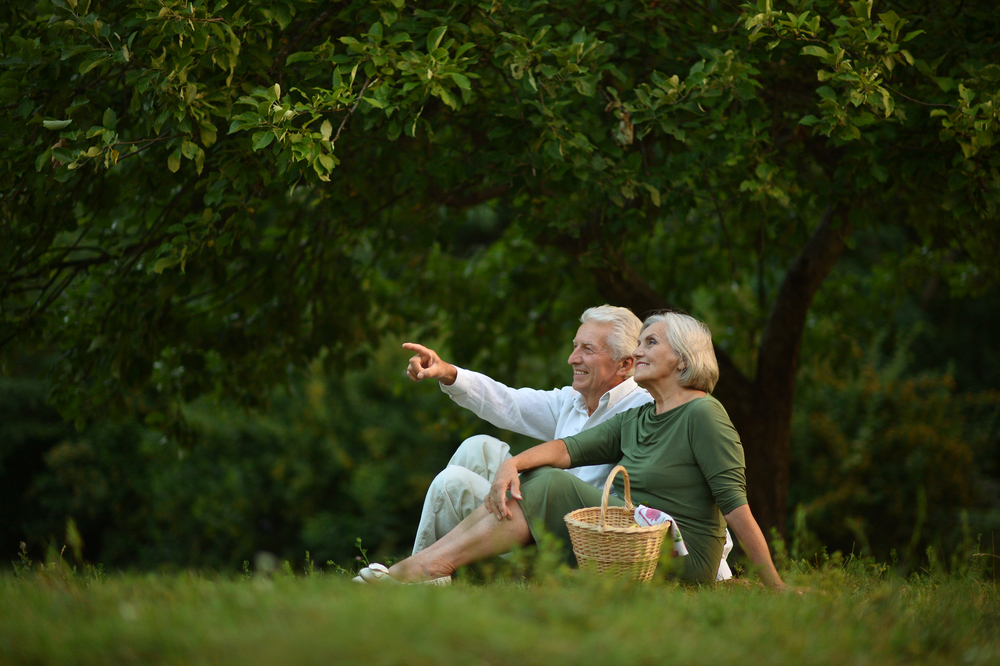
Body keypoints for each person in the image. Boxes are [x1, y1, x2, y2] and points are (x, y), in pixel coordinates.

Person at [358, 311, 785, 588]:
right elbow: (566, 445)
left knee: (548, 482)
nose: (639, 352)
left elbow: (734, 507)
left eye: (650, 343)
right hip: (620, 540)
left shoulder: (702, 414)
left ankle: (425, 570)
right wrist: (512, 461)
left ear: (684, 358)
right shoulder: (640, 416)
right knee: (509, 460)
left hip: (674, 556)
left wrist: (772, 583)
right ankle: (422, 572)